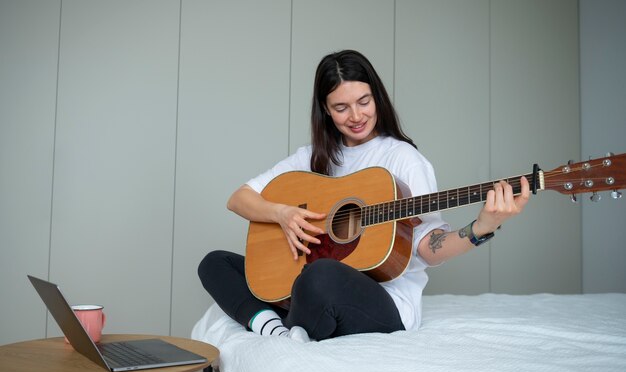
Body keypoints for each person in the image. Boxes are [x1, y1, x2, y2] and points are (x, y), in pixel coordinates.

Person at [198, 49, 529, 342]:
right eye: (341, 107)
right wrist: (282, 214)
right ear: (325, 110)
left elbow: (429, 249)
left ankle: (286, 318)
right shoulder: (312, 157)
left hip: (384, 301)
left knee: (320, 274)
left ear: (377, 98)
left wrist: (481, 228)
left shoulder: (404, 160)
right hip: (307, 287)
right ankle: (275, 327)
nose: (356, 117)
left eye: (363, 102)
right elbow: (239, 198)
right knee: (215, 263)